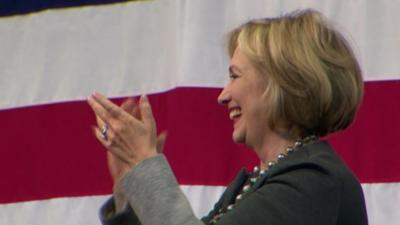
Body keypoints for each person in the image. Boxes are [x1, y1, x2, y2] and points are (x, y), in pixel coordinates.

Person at [87, 9, 368, 225]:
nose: (223, 95)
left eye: (235, 76)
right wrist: (129, 188)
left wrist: (145, 165)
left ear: (282, 84)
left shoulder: (314, 181)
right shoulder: (256, 184)